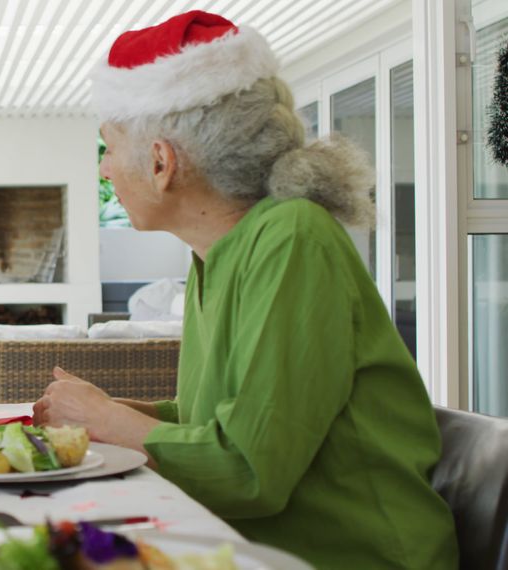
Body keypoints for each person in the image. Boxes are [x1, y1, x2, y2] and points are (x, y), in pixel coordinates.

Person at [32, 11, 457, 569]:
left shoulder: (293, 238)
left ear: (162, 162)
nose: (105, 169)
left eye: (107, 148)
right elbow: (221, 419)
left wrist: (110, 421)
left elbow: (250, 470)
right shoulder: (219, 252)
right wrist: (108, 409)